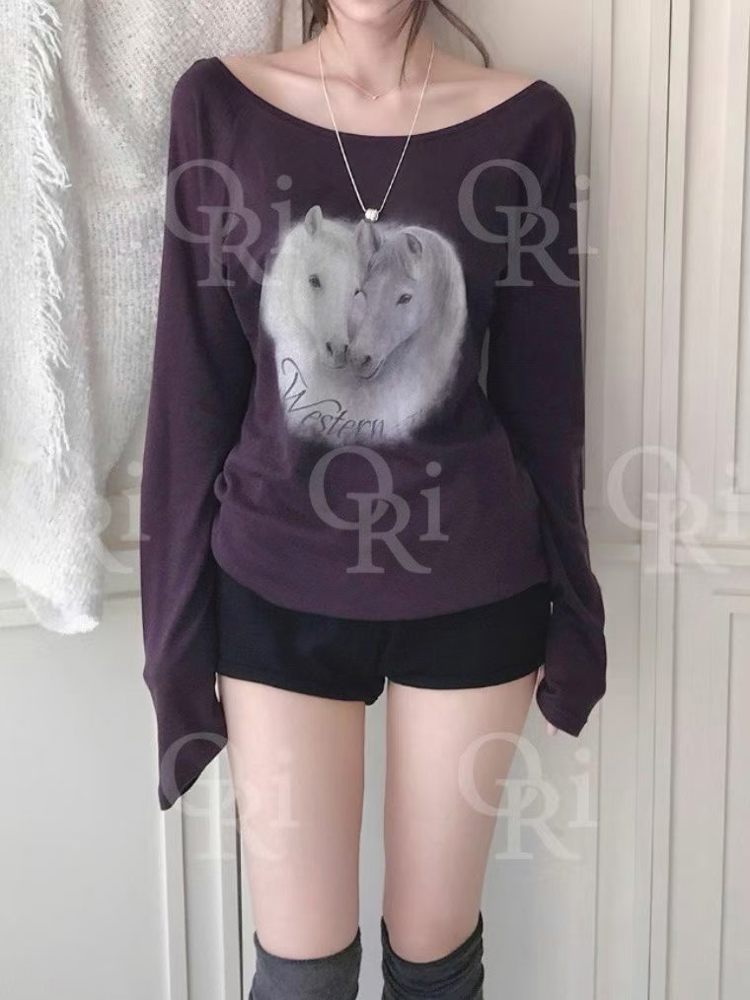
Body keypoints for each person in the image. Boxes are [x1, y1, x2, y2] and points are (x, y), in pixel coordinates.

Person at [139, 1, 607, 997]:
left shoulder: (527, 122)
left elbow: (548, 397)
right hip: (275, 588)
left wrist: (579, 612)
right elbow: (191, 388)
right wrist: (172, 646)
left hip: (472, 589)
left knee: (435, 970)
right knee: (300, 977)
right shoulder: (219, 107)